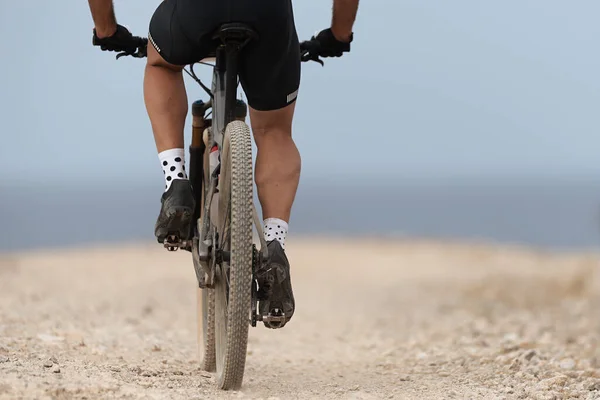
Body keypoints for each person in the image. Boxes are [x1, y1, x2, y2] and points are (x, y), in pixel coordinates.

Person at [87, 0, 360, 327]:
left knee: (160, 64)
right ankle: (274, 247)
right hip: (267, 15)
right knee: (273, 130)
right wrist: (338, 35)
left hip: (196, 11)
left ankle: (176, 182)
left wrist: (107, 31)